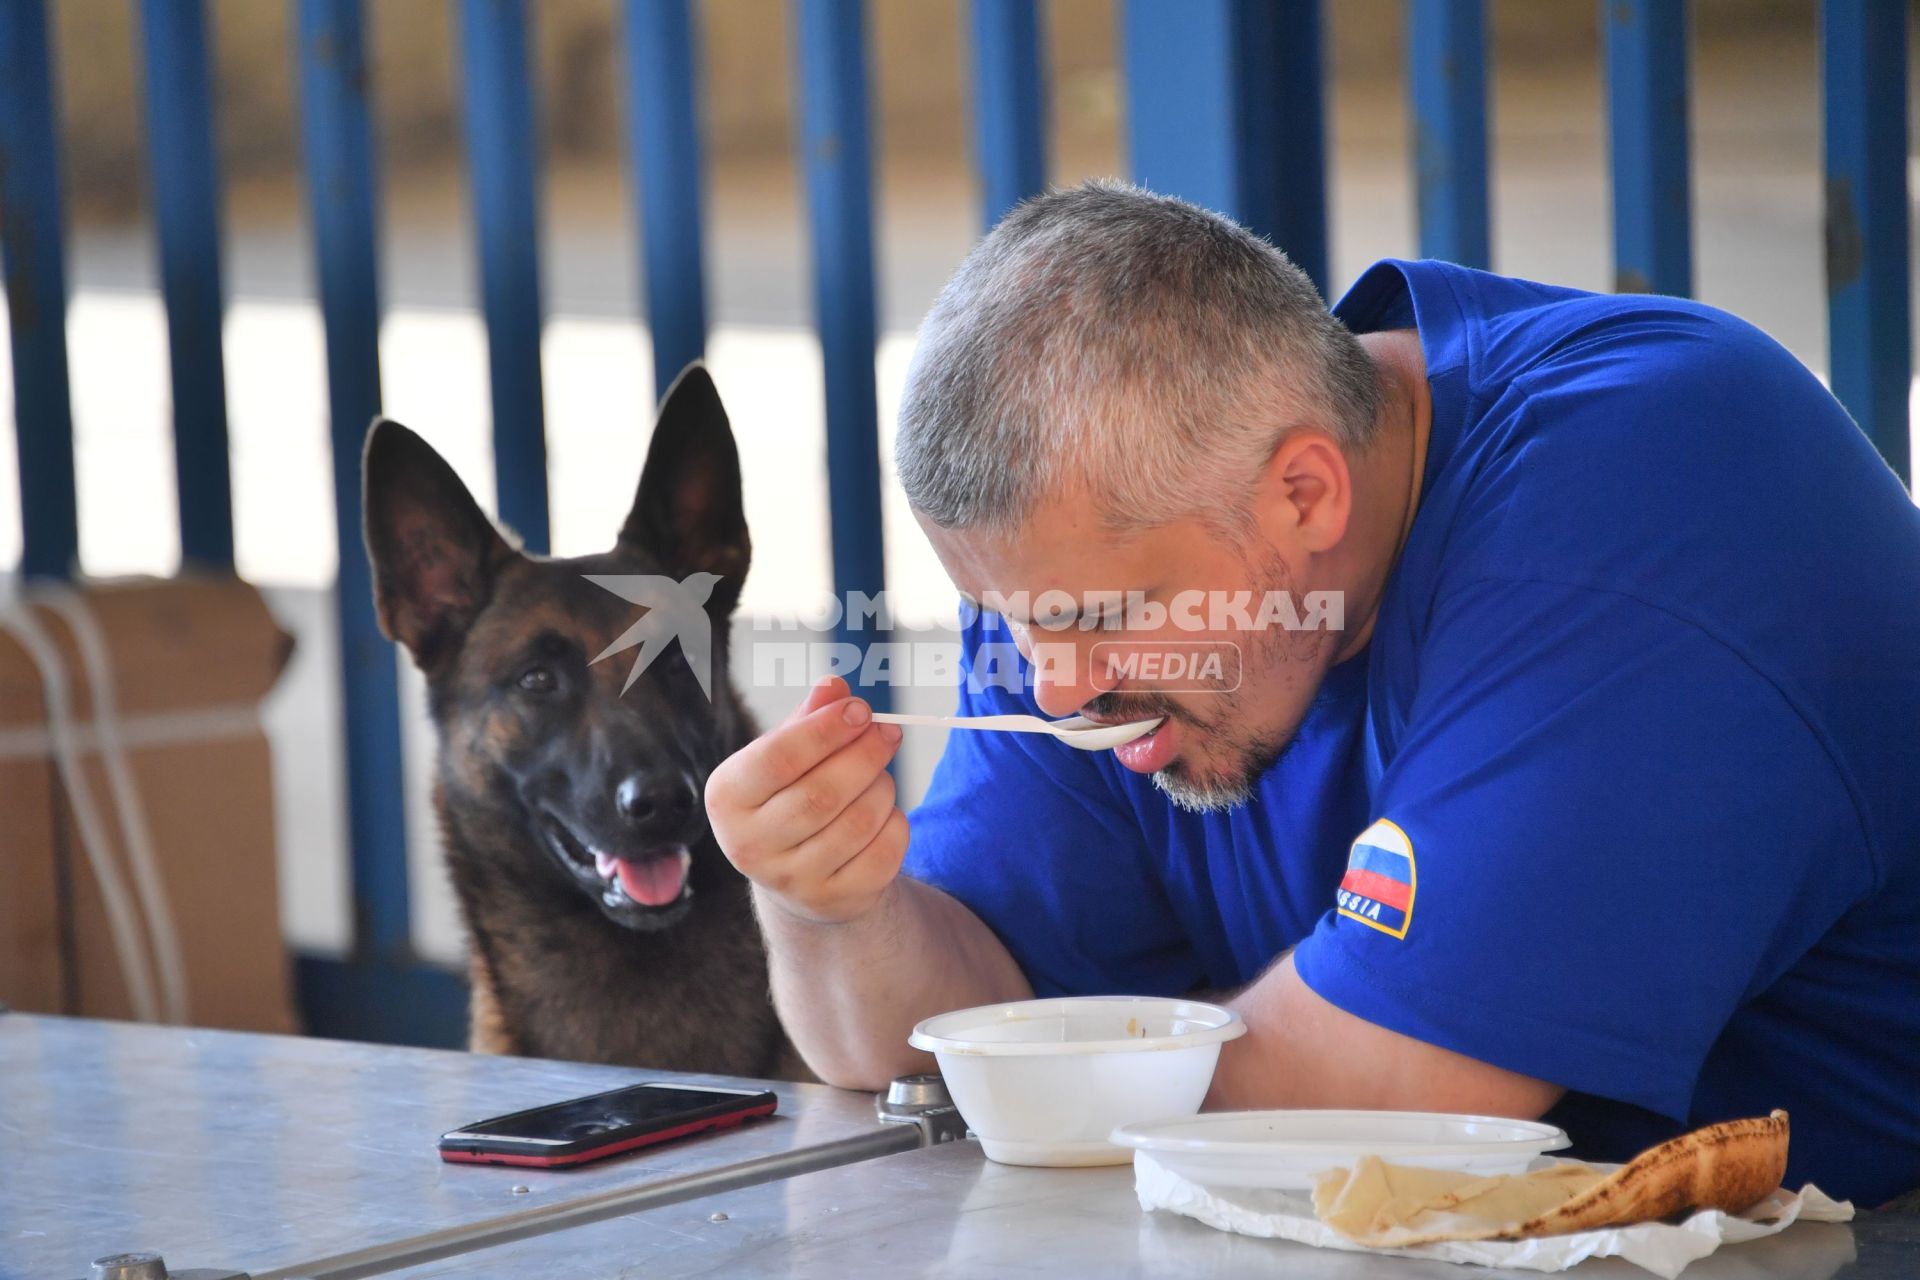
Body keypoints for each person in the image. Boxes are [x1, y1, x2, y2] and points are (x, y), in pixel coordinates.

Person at [705, 181, 1920, 1206]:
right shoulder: (1086, 566)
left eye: (1094, 619)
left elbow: (1364, 1103)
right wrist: (833, 906)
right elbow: (925, 1048)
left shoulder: (1652, 500)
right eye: (1012, 620)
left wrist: (1071, 1054)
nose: (1054, 685)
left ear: (1305, 494)